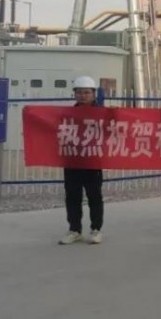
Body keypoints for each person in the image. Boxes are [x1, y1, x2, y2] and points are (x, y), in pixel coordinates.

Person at [58, 76, 105, 245]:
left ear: (93, 94)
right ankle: (74, 229)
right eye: (79, 92)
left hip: (93, 162)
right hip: (72, 161)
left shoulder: (103, 114)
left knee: (94, 197)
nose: (82, 96)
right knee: (72, 196)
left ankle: (96, 229)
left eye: (86, 92)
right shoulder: (68, 114)